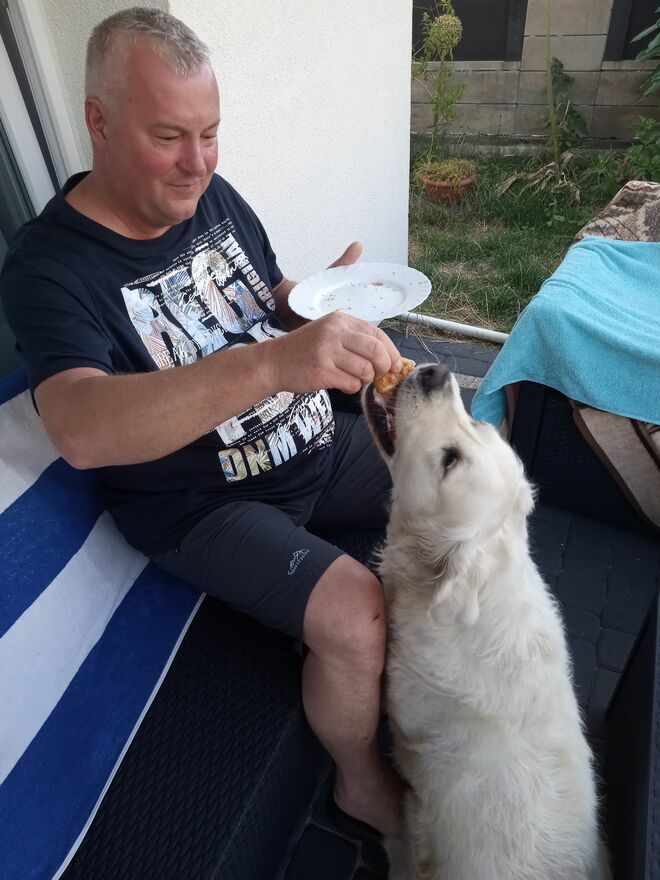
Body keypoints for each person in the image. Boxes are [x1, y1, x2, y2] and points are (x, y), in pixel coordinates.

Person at [0, 8, 403, 835]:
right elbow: (80, 427)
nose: (198, 164)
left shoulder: (209, 195)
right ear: (98, 122)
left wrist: (321, 305)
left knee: (468, 483)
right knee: (358, 617)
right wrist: (272, 365)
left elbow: (266, 298)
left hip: (311, 441)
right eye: (170, 137)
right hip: (206, 507)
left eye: (211, 134)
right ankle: (359, 784)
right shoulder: (50, 267)